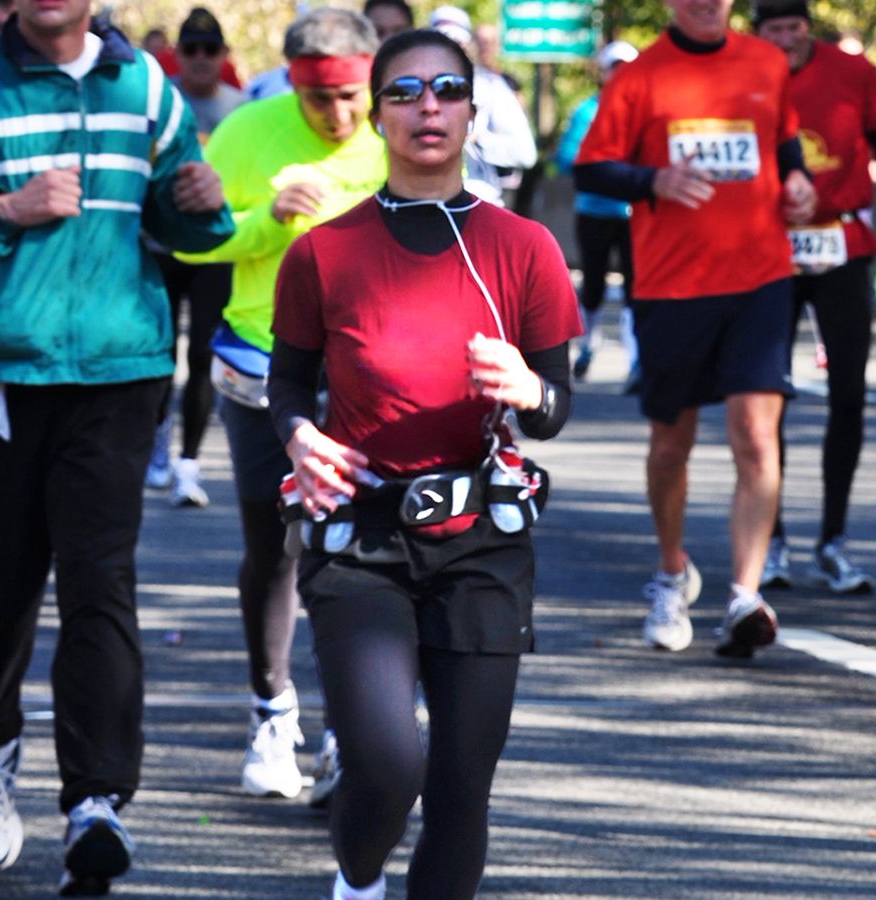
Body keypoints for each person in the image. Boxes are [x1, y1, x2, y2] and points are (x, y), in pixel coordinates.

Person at [0, 0, 233, 891]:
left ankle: (96, 802)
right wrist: (5, 209)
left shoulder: (144, 87)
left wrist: (200, 206)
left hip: (120, 370)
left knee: (99, 582)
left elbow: (176, 217)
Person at [268, 28, 580, 899]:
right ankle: (358, 880)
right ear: (378, 117)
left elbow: (554, 410)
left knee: (457, 790)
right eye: (404, 93)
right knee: (388, 765)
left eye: (447, 90)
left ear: (474, 114)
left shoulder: (525, 248)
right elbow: (287, 385)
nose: (427, 107)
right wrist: (300, 437)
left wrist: (526, 387)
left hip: (481, 537)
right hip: (362, 535)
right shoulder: (323, 252)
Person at [176, 6, 387, 805]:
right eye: (319, 100)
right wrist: (267, 219)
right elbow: (192, 241)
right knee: (280, 546)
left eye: (351, 98)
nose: (339, 117)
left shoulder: (402, 124)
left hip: (375, 370)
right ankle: (274, 714)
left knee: (364, 551)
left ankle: (351, 730)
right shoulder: (245, 132)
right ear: (293, 84)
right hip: (264, 364)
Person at [574, 0, 815, 656]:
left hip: (762, 277)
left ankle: (744, 595)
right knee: (669, 446)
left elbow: (785, 146)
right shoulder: (639, 76)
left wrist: (798, 183)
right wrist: (655, 178)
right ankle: (673, 570)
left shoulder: (765, 60)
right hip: (672, 285)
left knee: (756, 434)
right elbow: (591, 167)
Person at [752, 0, 876, 593]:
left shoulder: (853, 74)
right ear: (758, 33)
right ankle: (770, 541)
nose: (788, 40)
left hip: (842, 242)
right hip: (766, 246)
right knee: (765, 395)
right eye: (775, 31)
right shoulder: (743, 73)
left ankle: (834, 541)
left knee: (848, 392)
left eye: (795, 28)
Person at [144, 7, 246, 507]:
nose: (201, 59)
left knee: (204, 356)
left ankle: (189, 463)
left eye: (211, 50)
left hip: (216, 252)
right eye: (191, 50)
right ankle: (157, 444)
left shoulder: (240, 108)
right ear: (177, 55)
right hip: (160, 247)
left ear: (224, 55)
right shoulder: (160, 101)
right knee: (160, 353)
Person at [554, 39, 639, 389]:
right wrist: (605, 172)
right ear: (604, 73)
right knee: (593, 286)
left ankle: (636, 363)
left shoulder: (648, 110)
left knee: (638, 287)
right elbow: (564, 159)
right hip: (594, 210)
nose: (620, 74)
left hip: (635, 213)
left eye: (627, 67)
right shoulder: (588, 111)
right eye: (614, 67)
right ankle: (587, 347)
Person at [429, 5, 536, 207]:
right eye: (440, 44)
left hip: (480, 205)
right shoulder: (412, 89)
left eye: (457, 44)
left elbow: (526, 154)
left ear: (468, 46)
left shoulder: (491, 88)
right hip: (425, 207)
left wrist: (477, 138)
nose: (448, 54)